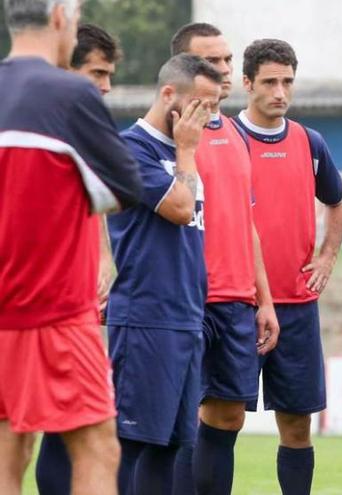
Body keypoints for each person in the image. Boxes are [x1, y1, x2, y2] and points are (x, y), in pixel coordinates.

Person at [0, 0, 142, 493]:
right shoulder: (70, 94)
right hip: (55, 308)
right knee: (98, 446)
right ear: (60, 15)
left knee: (8, 451)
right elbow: (127, 190)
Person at [232, 37, 342, 495]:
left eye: (288, 82)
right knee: (221, 417)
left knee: (297, 425)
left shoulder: (309, 141)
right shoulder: (225, 139)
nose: (280, 92)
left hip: (297, 305)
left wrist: (327, 257)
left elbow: (337, 205)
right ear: (247, 83)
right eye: (269, 82)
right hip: (237, 304)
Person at [168, 23, 280, 495]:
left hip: (237, 299)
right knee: (177, 421)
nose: (225, 71)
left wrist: (265, 299)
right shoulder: (163, 135)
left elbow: (246, 222)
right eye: (212, 62)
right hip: (187, 297)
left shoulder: (235, 131)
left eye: (228, 61)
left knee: (229, 416)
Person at [108, 54, 220, 494]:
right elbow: (179, 209)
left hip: (186, 317)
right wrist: (187, 151)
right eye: (200, 104)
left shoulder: (180, 152)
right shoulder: (130, 149)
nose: (208, 117)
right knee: (132, 443)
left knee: (170, 448)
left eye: (213, 106)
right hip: (147, 317)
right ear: (169, 94)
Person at [34, 21, 126, 495]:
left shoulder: (81, 131)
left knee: (80, 430)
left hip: (72, 305)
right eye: (97, 73)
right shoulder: (35, 130)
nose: (106, 87)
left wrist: (102, 257)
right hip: (33, 306)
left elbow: (90, 207)